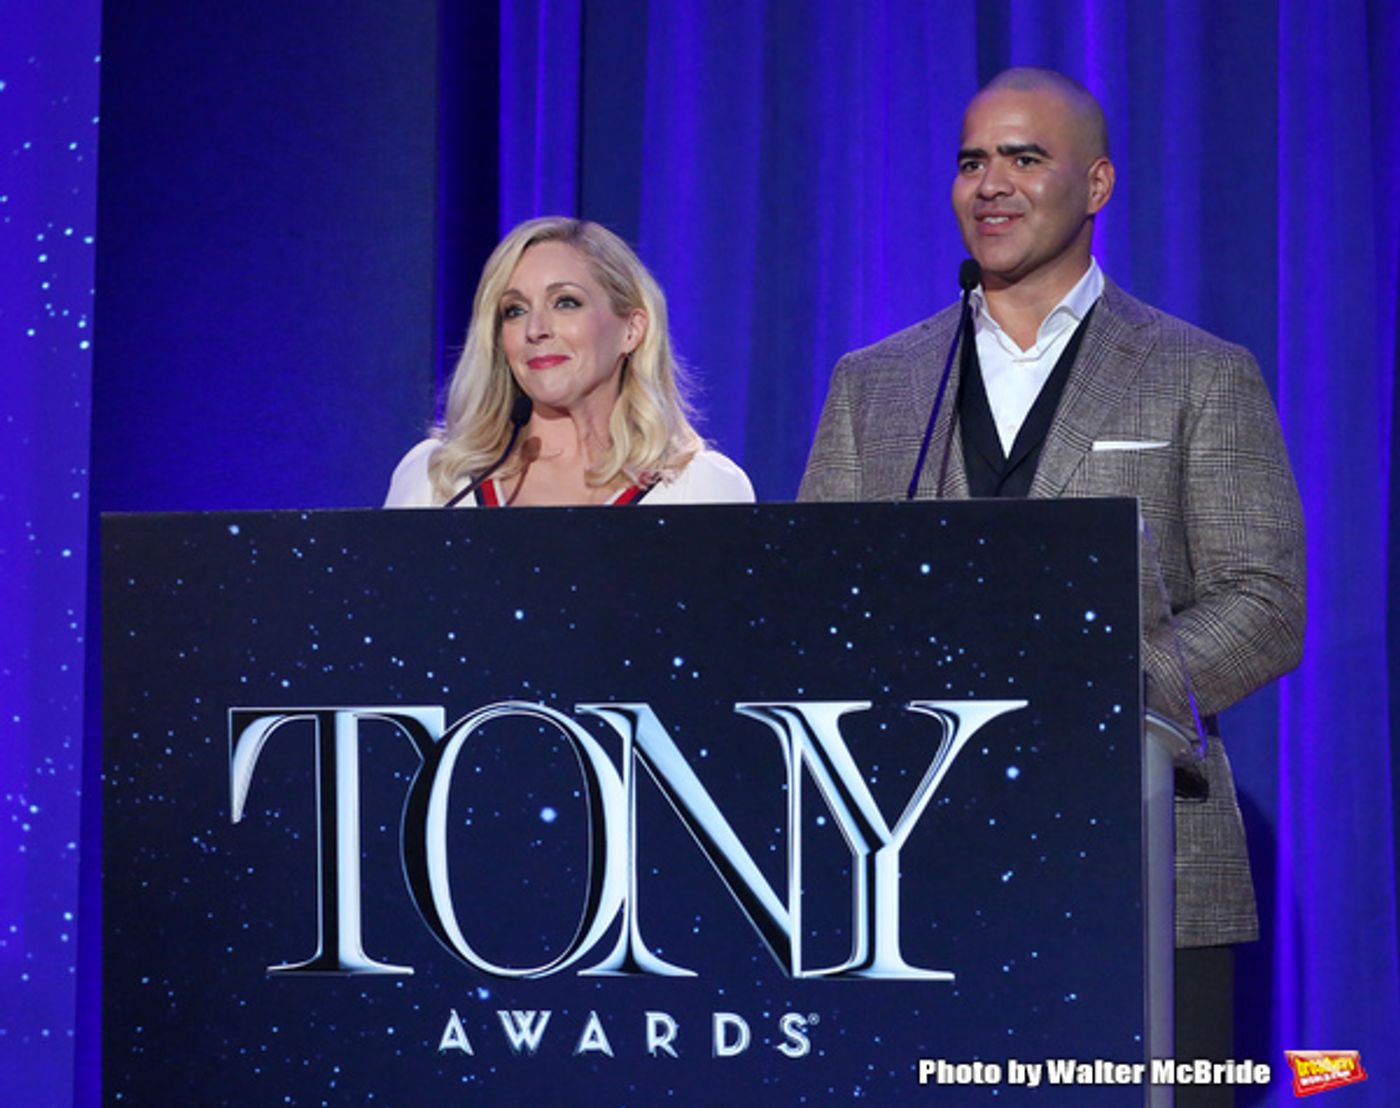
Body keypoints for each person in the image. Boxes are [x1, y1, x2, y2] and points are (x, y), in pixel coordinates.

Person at [799, 68, 1305, 1093]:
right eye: (970, 159)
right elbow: (817, 599)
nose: (990, 183)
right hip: (914, 876)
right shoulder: (876, 383)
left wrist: (1087, 700)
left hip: (1141, 860)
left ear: (1097, 182)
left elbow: (1263, 603)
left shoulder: (1197, 372)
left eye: (1024, 158)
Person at [386, 216, 753, 508]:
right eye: (514, 310)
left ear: (632, 329)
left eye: (566, 302)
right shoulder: (440, 479)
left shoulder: (701, 490)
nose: (536, 329)